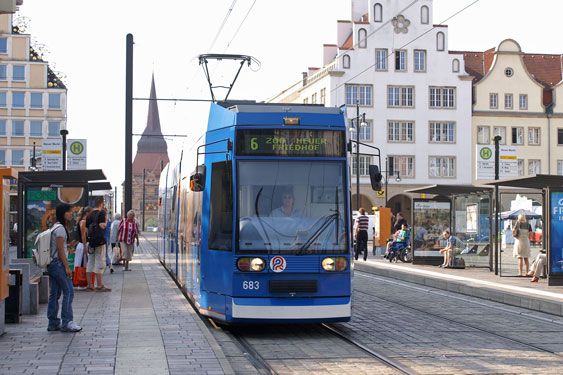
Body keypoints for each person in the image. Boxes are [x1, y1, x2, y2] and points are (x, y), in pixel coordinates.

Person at [47, 204, 82, 332]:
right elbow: (60, 250)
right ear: (63, 213)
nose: (71, 214)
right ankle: (67, 321)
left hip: (52, 263)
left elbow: (59, 247)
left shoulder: (54, 226)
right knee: (69, 291)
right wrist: (67, 267)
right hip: (58, 264)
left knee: (54, 294)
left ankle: (53, 322)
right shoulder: (61, 229)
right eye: (69, 212)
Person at [85, 197, 111, 292]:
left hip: (91, 241)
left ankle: (90, 284)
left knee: (90, 262)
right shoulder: (101, 213)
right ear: (101, 204)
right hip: (99, 241)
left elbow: (87, 230)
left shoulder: (89, 214)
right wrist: (106, 221)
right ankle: (99, 285)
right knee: (100, 262)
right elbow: (102, 226)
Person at [74, 206, 92, 271]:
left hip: (82, 245)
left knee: (82, 265)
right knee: (83, 265)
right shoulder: (84, 221)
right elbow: (83, 235)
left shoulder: (82, 221)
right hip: (83, 245)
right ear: (87, 213)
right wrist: (85, 247)